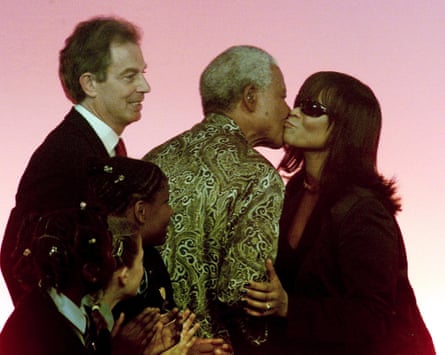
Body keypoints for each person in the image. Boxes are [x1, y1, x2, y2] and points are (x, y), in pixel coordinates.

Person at [241, 71, 436, 354]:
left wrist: (288, 306)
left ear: (345, 127)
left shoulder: (363, 211)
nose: (293, 113)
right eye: (298, 103)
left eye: (312, 109)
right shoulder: (295, 191)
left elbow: (372, 319)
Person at [143, 45, 289, 353]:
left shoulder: (153, 160)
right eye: (280, 96)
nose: (287, 110)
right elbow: (242, 292)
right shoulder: (259, 176)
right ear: (250, 97)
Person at [1, 15, 150, 305]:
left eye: (143, 73)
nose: (145, 86)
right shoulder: (65, 158)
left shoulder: (102, 147)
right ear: (90, 84)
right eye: (130, 76)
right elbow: (17, 261)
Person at [87, 156, 232, 354]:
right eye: (166, 202)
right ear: (141, 211)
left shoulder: (152, 260)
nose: (171, 211)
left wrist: (182, 345)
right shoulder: (101, 273)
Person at [0, 207, 160, 355]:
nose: (115, 260)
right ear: (90, 271)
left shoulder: (68, 311)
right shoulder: (46, 335)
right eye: (109, 253)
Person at [88, 216, 199, 355]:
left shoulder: (103, 314)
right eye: (141, 262)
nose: (143, 269)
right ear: (124, 276)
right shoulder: (90, 325)